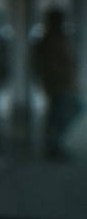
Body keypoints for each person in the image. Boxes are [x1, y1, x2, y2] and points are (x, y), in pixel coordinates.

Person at [31, 8, 80, 160]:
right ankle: (53, 147)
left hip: (61, 84)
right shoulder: (49, 40)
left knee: (59, 115)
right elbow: (49, 64)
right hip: (57, 84)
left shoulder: (58, 38)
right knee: (58, 115)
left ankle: (54, 146)